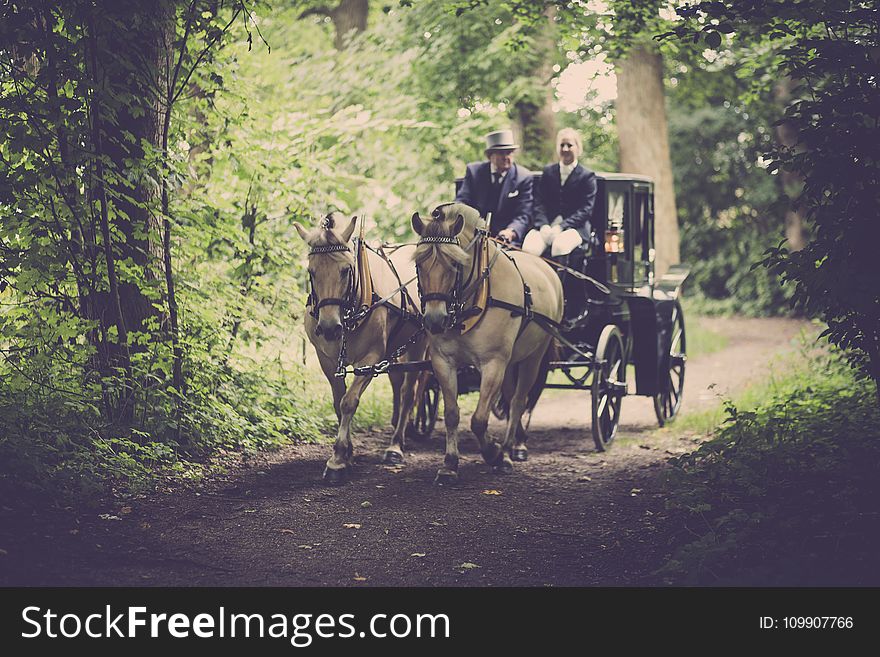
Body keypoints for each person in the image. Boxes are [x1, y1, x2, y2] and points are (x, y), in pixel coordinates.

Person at [521, 127, 597, 260]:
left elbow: (586, 210)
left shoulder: (587, 176)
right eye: (562, 145)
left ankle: (559, 281)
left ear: (578, 148)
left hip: (575, 228)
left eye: (569, 145)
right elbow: (539, 202)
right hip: (547, 225)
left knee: (560, 246)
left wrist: (562, 226)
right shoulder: (548, 172)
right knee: (529, 247)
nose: (565, 149)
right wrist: (543, 224)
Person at [455, 129, 533, 246]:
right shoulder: (474, 172)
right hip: (474, 236)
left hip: (506, 240)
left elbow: (523, 214)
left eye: (509, 152)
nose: (506, 157)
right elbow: (462, 201)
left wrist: (510, 232)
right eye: (501, 153)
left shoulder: (523, 177)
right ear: (490, 156)